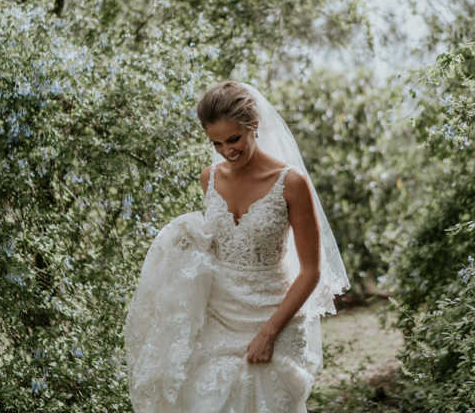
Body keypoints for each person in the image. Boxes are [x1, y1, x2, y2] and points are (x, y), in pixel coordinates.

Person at [124, 81, 350, 412]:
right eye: (216, 143)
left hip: (274, 313)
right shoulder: (209, 179)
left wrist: (269, 333)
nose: (227, 150)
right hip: (219, 315)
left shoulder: (291, 184)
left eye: (234, 139)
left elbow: (311, 271)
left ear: (253, 126)